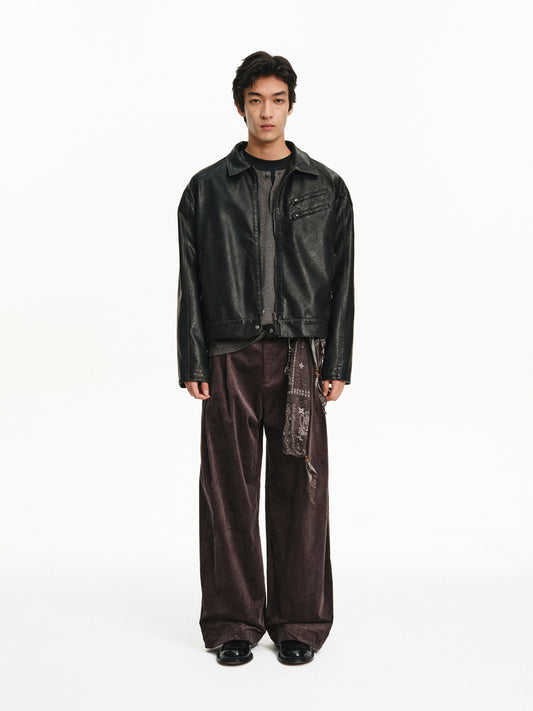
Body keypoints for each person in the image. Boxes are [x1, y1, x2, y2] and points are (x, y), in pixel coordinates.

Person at [176, 51, 355, 666]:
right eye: (256, 100)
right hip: (228, 354)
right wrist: (193, 358)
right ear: (240, 107)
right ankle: (233, 622)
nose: (267, 111)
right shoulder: (207, 189)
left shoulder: (326, 187)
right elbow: (190, 279)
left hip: (303, 356)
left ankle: (298, 623)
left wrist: (339, 361)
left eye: (277, 100)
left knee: (301, 491)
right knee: (228, 490)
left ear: (292, 106)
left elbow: (343, 279)